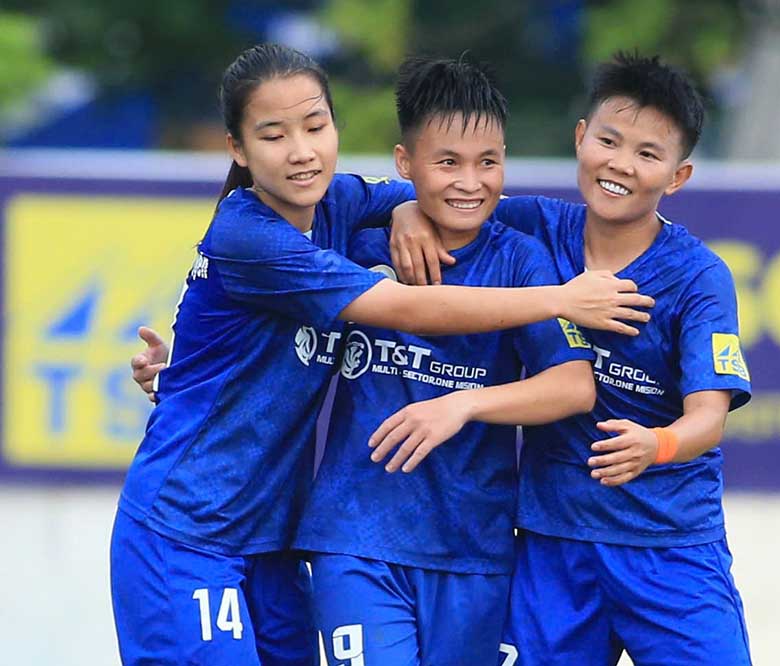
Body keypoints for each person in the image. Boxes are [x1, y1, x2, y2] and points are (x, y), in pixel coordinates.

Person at [110, 43, 652, 666]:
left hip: (272, 537)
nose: (301, 150)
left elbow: (425, 183)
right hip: (187, 526)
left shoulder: (337, 204)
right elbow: (403, 308)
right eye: (272, 135)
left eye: (315, 126)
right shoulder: (248, 233)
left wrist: (406, 210)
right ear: (237, 149)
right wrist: (559, 298)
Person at [390, 52, 753, 666]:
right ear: (581, 138)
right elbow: (442, 193)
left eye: (648, 154)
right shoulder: (534, 227)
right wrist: (403, 212)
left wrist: (655, 445)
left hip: (667, 545)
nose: (620, 164)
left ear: (679, 175)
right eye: (609, 141)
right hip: (551, 545)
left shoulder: (699, 278)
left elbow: (708, 419)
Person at [294, 54, 599, 666]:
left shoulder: (523, 262)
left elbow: (574, 387)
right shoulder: (360, 248)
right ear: (405, 165)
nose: (471, 182)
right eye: (447, 163)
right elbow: (267, 325)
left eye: (489, 162)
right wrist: (179, 366)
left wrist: (463, 405)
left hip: (473, 551)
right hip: (357, 539)